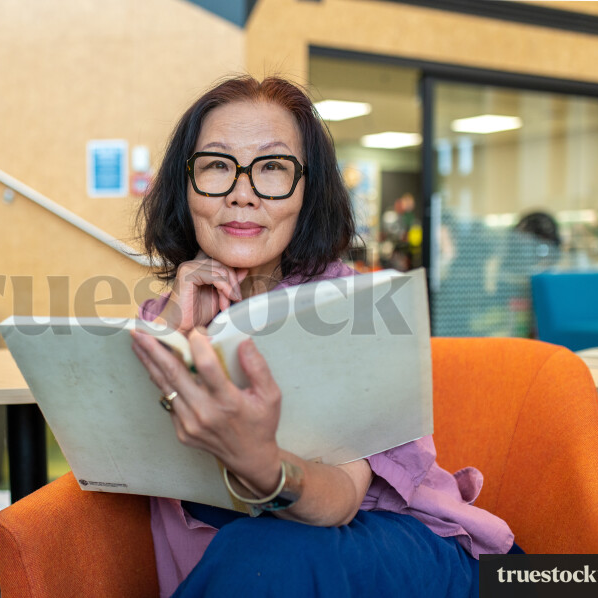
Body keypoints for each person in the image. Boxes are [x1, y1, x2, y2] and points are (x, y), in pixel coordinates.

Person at [130, 75, 517, 598]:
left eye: (272, 168)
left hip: (402, 550)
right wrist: (173, 327)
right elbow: (117, 463)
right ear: (186, 185)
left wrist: (262, 465)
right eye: (218, 166)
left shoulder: (357, 309)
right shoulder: (162, 317)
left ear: (307, 191)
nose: (241, 194)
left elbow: (338, 502)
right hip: (248, 575)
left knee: (269, 548)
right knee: (258, 552)